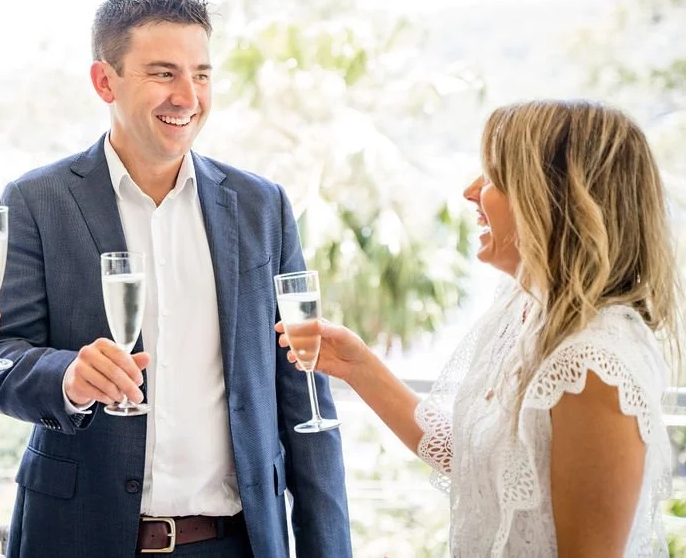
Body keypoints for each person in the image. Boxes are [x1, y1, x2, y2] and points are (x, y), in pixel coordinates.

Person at [0, 0, 352, 557]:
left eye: (201, 74)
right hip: (78, 537)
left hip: (235, 542)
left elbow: (304, 388)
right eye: (163, 73)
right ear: (105, 81)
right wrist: (68, 378)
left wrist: (329, 549)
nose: (188, 96)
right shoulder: (37, 200)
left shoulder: (261, 206)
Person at [278, 99, 682, 556]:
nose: (471, 191)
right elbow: (477, 462)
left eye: (493, 177)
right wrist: (359, 368)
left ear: (553, 199)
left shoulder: (595, 365)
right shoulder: (524, 311)